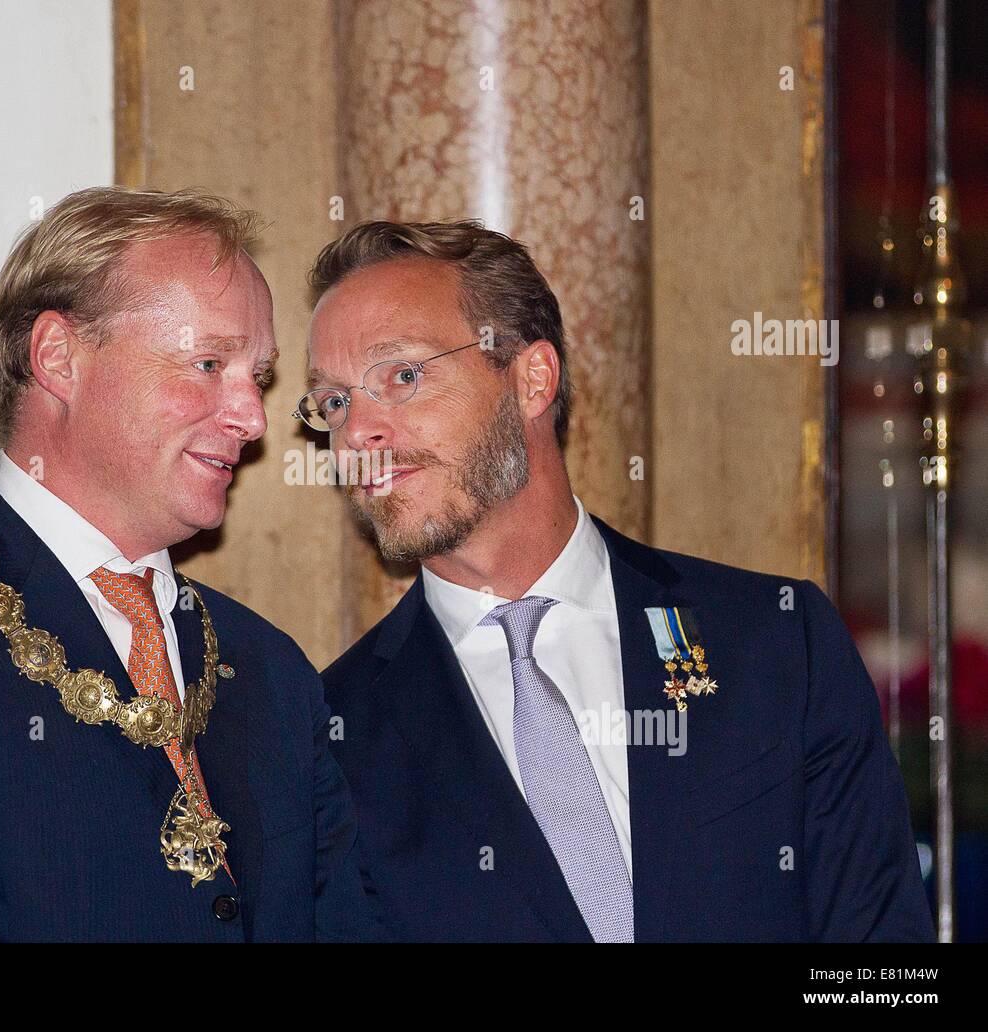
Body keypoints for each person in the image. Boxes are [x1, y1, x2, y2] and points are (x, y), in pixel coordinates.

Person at [0, 186, 368, 942]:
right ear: (58, 357)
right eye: (209, 363)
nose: (249, 417)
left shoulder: (271, 670)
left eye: (259, 378)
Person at [302, 219, 934, 942]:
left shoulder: (773, 638)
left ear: (532, 378)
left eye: (402, 376)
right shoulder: (333, 734)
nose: (355, 434)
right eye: (334, 402)